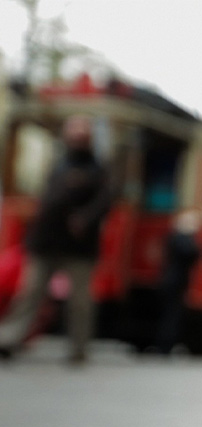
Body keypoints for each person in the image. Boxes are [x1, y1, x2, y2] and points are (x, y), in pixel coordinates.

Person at [0, 115, 113, 364]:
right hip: (46, 241)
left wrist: (84, 219)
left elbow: (105, 202)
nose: (77, 136)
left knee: (80, 301)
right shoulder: (59, 164)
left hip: (79, 246)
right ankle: (8, 339)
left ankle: (79, 348)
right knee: (29, 294)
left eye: (81, 131)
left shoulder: (97, 169)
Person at [152, 209, 202, 355]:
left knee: (170, 315)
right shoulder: (181, 238)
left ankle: (165, 345)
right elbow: (191, 252)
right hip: (175, 282)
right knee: (171, 316)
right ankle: (165, 346)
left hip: (171, 281)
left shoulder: (175, 237)